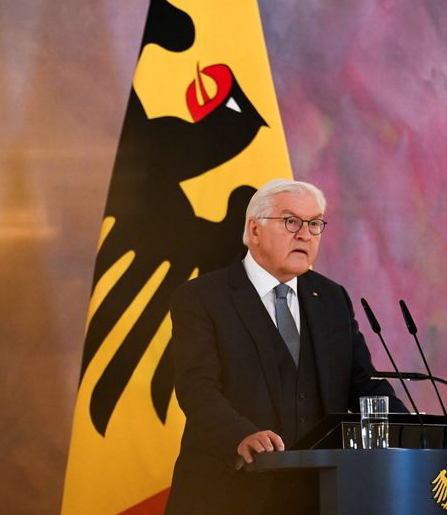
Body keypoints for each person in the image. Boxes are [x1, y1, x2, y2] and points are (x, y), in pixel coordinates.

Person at [165, 179, 406, 514]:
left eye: (315, 224)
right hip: (228, 492)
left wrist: (414, 433)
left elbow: (362, 383)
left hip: (319, 494)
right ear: (254, 229)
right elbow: (196, 387)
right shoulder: (202, 298)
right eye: (291, 221)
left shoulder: (331, 298)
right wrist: (241, 435)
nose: (305, 234)